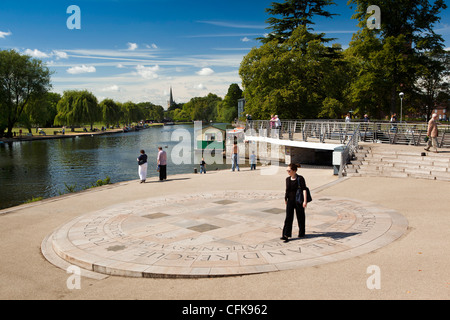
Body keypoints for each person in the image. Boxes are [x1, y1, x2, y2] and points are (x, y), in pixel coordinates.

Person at [281, 163, 307, 242]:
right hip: (290, 201)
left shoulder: (300, 178)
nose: (288, 172)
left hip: (299, 201)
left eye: (289, 171)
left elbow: (304, 189)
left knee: (300, 217)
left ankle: (302, 232)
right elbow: (287, 190)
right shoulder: (287, 179)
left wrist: (305, 201)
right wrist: (285, 199)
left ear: (294, 171)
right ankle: (286, 235)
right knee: (288, 217)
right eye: (287, 171)